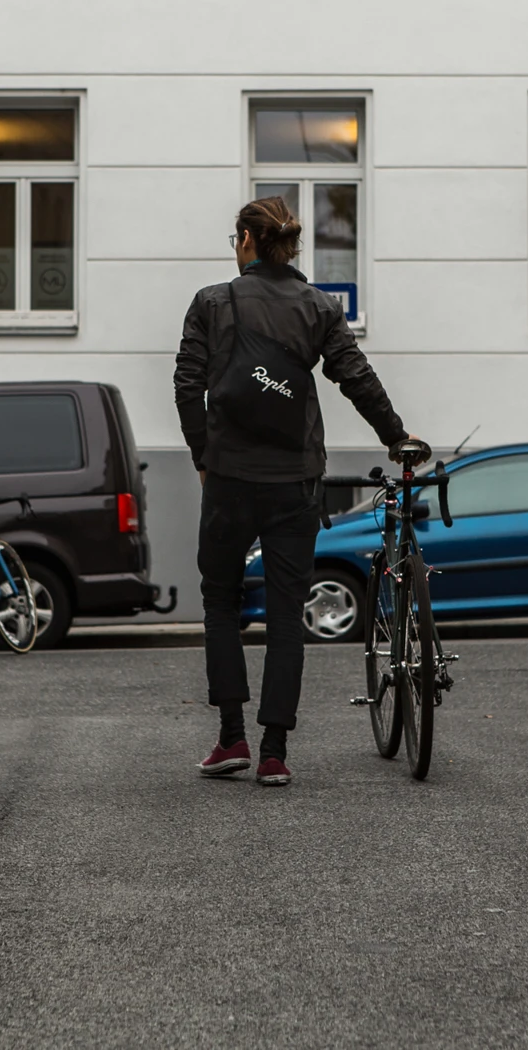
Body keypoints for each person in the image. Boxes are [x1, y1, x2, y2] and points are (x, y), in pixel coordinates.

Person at [173, 196, 415, 787]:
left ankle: (231, 737)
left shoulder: (212, 302)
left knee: (221, 602)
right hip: (295, 479)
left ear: (246, 240)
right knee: (286, 613)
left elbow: (186, 386)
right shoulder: (319, 306)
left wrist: (204, 457)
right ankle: (275, 751)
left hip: (230, 478)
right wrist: (396, 436)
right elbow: (355, 376)